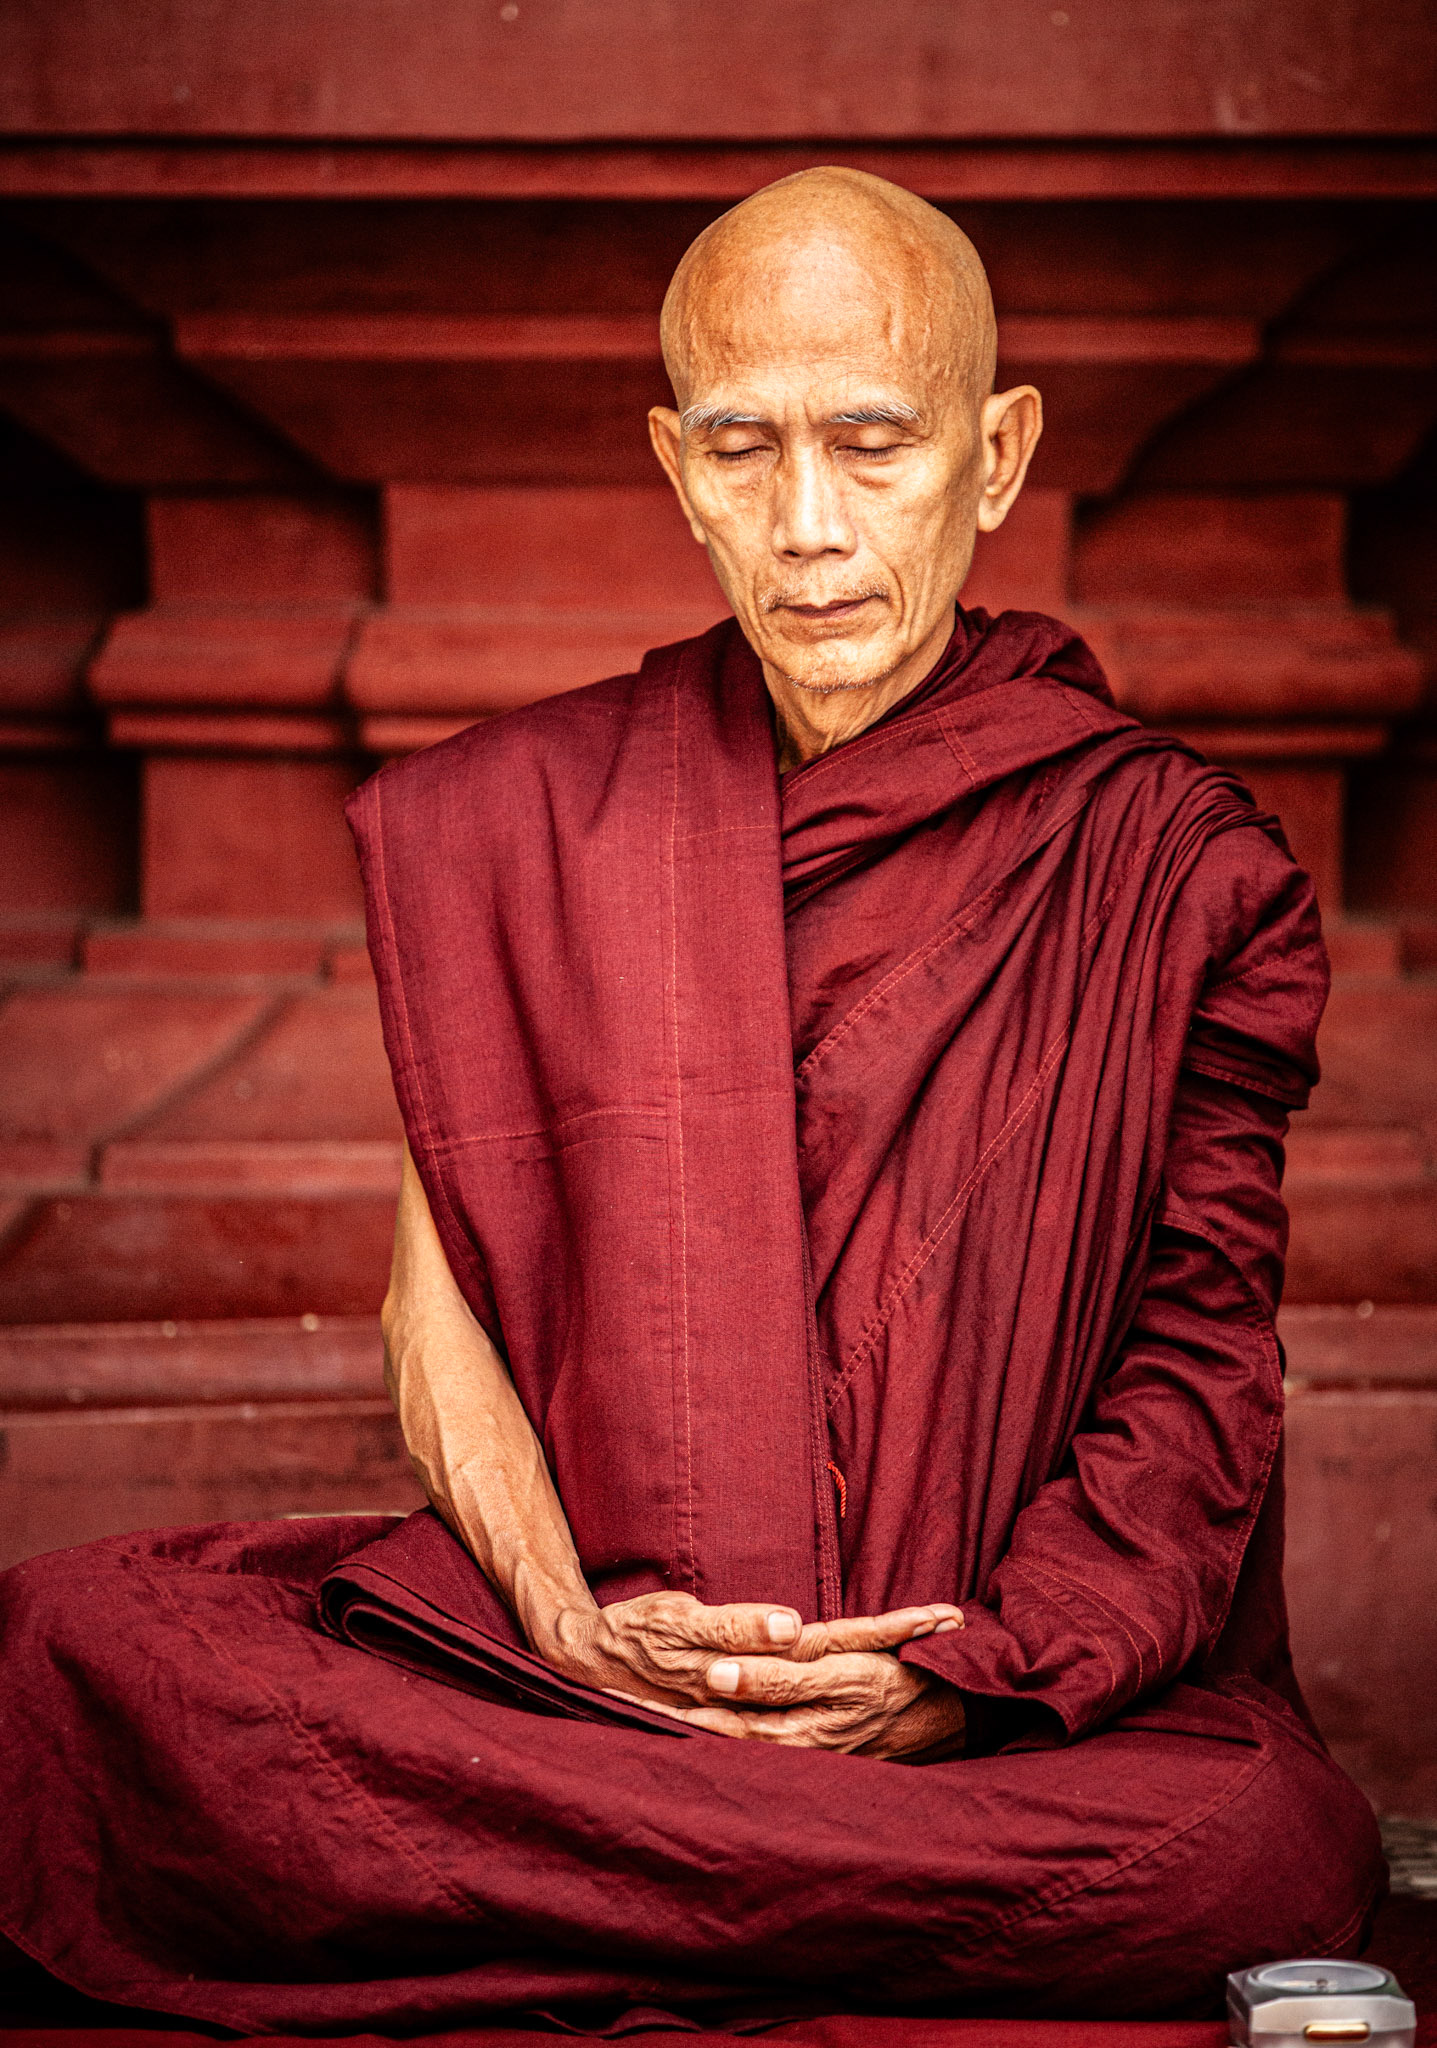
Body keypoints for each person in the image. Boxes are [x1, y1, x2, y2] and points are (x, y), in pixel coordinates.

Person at [0, 167, 1382, 2034]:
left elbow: (1196, 1368)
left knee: (1264, 1838)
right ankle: (757, 1879)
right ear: (673, 465)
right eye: (742, 451)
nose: (806, 528)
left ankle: (601, 1892)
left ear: (996, 455)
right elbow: (435, 1319)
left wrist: (963, 1683)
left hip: (982, 1717)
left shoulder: (1167, 863)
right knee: (72, 1653)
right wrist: (571, 1628)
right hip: (583, 1684)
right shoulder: (522, 825)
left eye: (872, 447)